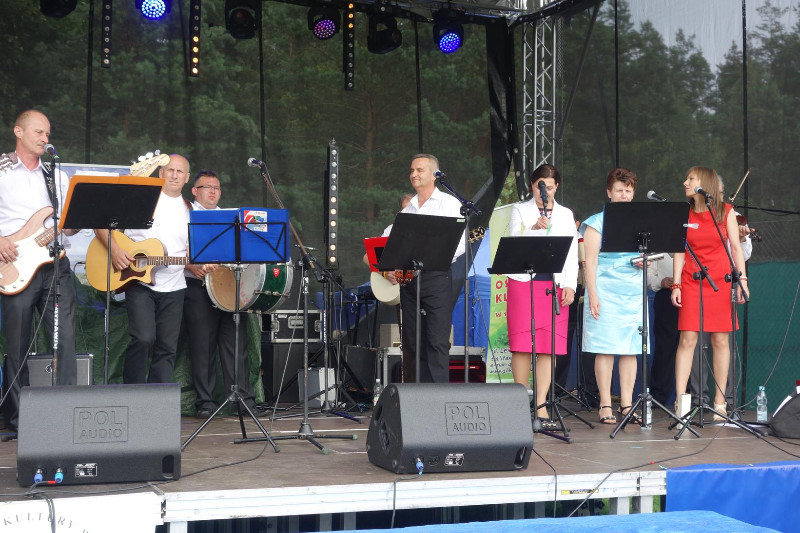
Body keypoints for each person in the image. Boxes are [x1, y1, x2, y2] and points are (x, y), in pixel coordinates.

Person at [0, 110, 78, 435]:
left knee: (66, 340)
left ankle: (67, 415)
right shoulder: (2, 169)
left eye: (47, 133)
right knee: (17, 345)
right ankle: (18, 421)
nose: (45, 138)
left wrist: (74, 222)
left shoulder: (55, 175)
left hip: (54, 265)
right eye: (38, 132)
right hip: (15, 265)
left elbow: (69, 225)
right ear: (18, 131)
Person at [94, 154, 192, 384]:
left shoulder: (192, 210)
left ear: (187, 178)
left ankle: (158, 401)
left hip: (174, 285)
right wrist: (115, 251)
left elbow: (195, 251)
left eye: (180, 171)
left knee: (167, 348)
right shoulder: (141, 199)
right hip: (136, 279)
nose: (174, 175)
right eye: (170, 170)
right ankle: (133, 394)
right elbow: (99, 220)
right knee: (144, 338)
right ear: (161, 172)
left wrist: (202, 261)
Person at [183, 170, 267, 418]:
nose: (212, 191)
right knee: (203, 345)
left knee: (236, 344)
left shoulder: (231, 218)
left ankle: (243, 401)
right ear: (194, 191)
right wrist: (191, 264)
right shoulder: (185, 214)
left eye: (216, 188)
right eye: (206, 187)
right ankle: (205, 403)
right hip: (198, 286)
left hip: (230, 286)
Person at [673, 167, 749, 420]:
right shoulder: (683, 214)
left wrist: (742, 280)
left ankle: (720, 402)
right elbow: (679, 251)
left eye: (690, 179)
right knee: (687, 339)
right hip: (691, 281)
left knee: (720, 340)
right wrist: (676, 285)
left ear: (704, 183)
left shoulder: (726, 211)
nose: (685, 182)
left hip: (720, 281)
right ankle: (681, 401)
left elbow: (735, 248)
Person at [381, 154, 464, 383]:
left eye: (419, 170)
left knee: (437, 340)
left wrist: (435, 258)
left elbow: (460, 242)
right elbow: (389, 248)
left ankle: (438, 396)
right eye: (411, 170)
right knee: (414, 342)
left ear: (435, 175)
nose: (414, 174)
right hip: (409, 280)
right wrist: (388, 269)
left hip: (436, 276)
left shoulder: (449, 203)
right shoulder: (406, 212)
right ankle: (418, 394)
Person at [506, 164, 577, 427]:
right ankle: (518, 404)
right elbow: (513, 240)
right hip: (524, 282)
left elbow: (571, 252)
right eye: (539, 185)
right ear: (532, 186)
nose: (544, 190)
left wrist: (570, 284)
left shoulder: (566, 214)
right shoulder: (520, 210)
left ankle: (541, 404)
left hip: (554, 284)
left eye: (549, 185)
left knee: (548, 346)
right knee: (522, 344)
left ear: (556, 187)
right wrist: (534, 228)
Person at [581, 168, 646, 425]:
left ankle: (627, 404)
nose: (624, 195)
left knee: (631, 349)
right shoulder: (596, 222)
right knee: (605, 348)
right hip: (605, 290)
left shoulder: (641, 221)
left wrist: (644, 261)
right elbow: (590, 261)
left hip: (633, 292)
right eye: (619, 190)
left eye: (628, 191)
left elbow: (647, 253)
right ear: (609, 192)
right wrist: (593, 294)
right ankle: (605, 404)